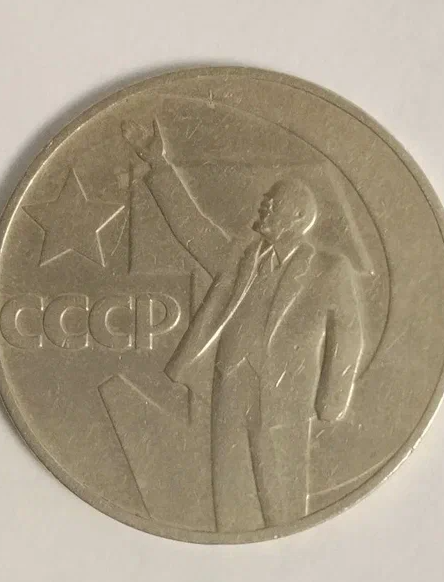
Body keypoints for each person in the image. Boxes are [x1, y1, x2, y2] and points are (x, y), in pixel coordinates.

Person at [136, 122, 365, 532]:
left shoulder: (328, 269)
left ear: (297, 216)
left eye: (272, 204)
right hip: (228, 390)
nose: (263, 207)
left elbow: (348, 334)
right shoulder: (241, 256)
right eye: (266, 202)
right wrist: (159, 165)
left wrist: (333, 400)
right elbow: (193, 230)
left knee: (282, 506)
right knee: (228, 501)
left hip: (283, 400)